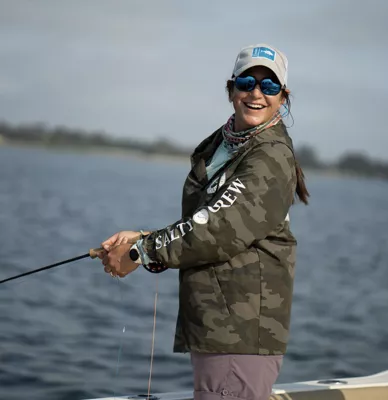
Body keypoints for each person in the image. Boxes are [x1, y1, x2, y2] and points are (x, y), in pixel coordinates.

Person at [97, 43, 309, 400]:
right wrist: (145, 238)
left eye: (269, 86)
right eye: (247, 83)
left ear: (283, 97)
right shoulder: (223, 145)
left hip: (240, 332)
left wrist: (141, 253)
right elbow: (206, 219)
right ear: (231, 90)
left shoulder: (270, 156)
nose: (256, 93)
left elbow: (221, 228)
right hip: (217, 325)